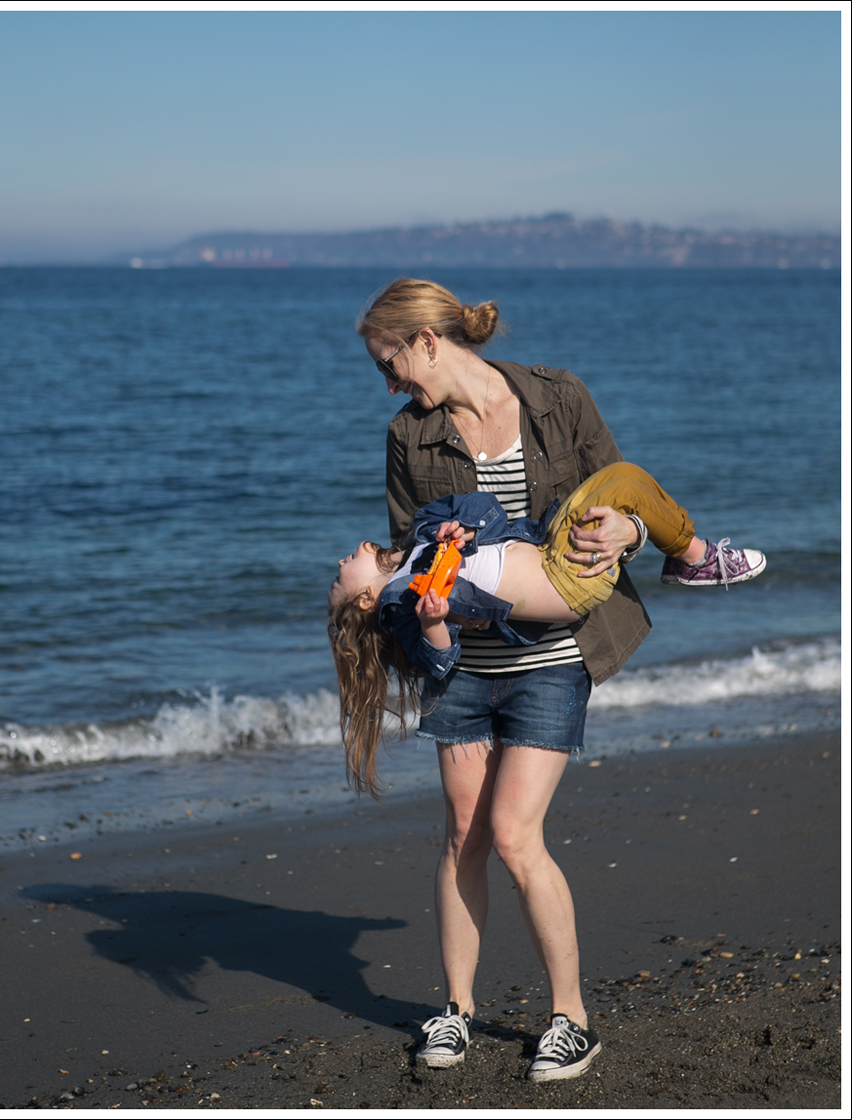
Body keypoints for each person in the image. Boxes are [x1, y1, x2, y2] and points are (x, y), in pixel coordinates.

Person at [349, 277, 740, 1082]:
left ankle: (571, 1018)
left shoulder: (557, 397)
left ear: (428, 341)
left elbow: (619, 492)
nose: (388, 384)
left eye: (390, 363)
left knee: (515, 836)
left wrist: (632, 533)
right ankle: (456, 1010)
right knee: (462, 836)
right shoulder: (408, 436)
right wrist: (407, 604)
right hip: (463, 665)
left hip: (553, 661)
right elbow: (406, 551)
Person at [328, 466, 765, 795]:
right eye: (338, 578)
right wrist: (433, 621)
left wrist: (465, 527)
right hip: (568, 580)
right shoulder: (399, 602)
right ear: (364, 600)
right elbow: (438, 660)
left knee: (626, 479)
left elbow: (485, 505)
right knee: (625, 482)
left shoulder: (424, 532)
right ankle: (695, 557)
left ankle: (687, 556)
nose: (341, 562)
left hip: (554, 547)